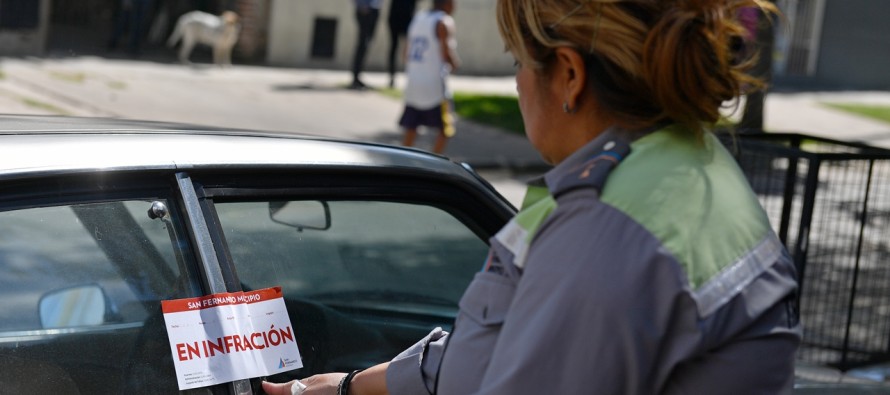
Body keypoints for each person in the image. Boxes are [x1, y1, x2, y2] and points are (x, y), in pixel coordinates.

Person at [265, 0, 800, 393]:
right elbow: (499, 345)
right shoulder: (684, 163)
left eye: (518, 62)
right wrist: (348, 387)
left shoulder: (607, 227)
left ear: (568, 75)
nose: (518, 84)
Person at [398, 0, 459, 155]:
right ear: (447, 3)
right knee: (446, 128)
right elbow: (446, 54)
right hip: (434, 87)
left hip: (413, 84)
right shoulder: (443, 22)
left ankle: (402, 163)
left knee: (411, 127)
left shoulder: (418, 18)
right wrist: (455, 64)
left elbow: (405, 53)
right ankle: (434, 163)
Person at [350, 0, 382, 90]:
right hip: (364, 9)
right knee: (362, 44)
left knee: (367, 43)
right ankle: (355, 78)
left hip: (374, 9)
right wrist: (361, 5)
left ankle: (358, 76)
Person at [387, 0, 419, 88]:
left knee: (409, 49)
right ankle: (392, 76)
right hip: (395, 17)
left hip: (407, 18)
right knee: (394, 48)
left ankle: (411, 75)